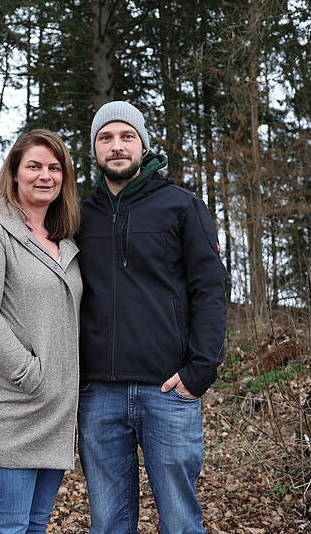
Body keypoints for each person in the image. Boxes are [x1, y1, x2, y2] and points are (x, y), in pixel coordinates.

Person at [76, 101, 228, 534]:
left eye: (127, 136)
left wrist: (200, 370)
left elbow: (210, 289)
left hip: (168, 390)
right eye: (106, 138)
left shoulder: (181, 205)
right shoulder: (79, 215)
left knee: (179, 520)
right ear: (95, 149)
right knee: (107, 522)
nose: (117, 146)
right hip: (99, 393)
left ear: (143, 144)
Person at [0, 129, 82, 534]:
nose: (44, 175)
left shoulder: (64, 240)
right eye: (33, 166)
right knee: (7, 529)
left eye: (54, 167)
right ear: (14, 173)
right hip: (10, 410)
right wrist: (31, 375)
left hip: (55, 416)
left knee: (34, 527)